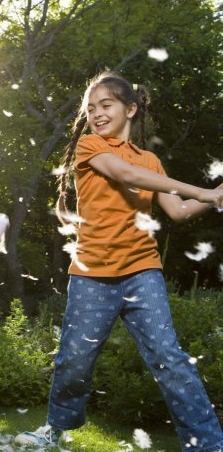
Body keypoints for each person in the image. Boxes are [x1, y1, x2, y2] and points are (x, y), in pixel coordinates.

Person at [15, 72, 223, 450]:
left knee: (169, 358)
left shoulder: (151, 161)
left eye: (105, 105)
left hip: (142, 270)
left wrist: (213, 198)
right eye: (90, 108)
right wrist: (204, 190)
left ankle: (209, 445)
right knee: (74, 359)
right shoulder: (91, 147)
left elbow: (175, 211)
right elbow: (124, 173)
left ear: (131, 109)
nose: (96, 113)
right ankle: (55, 428)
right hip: (92, 272)